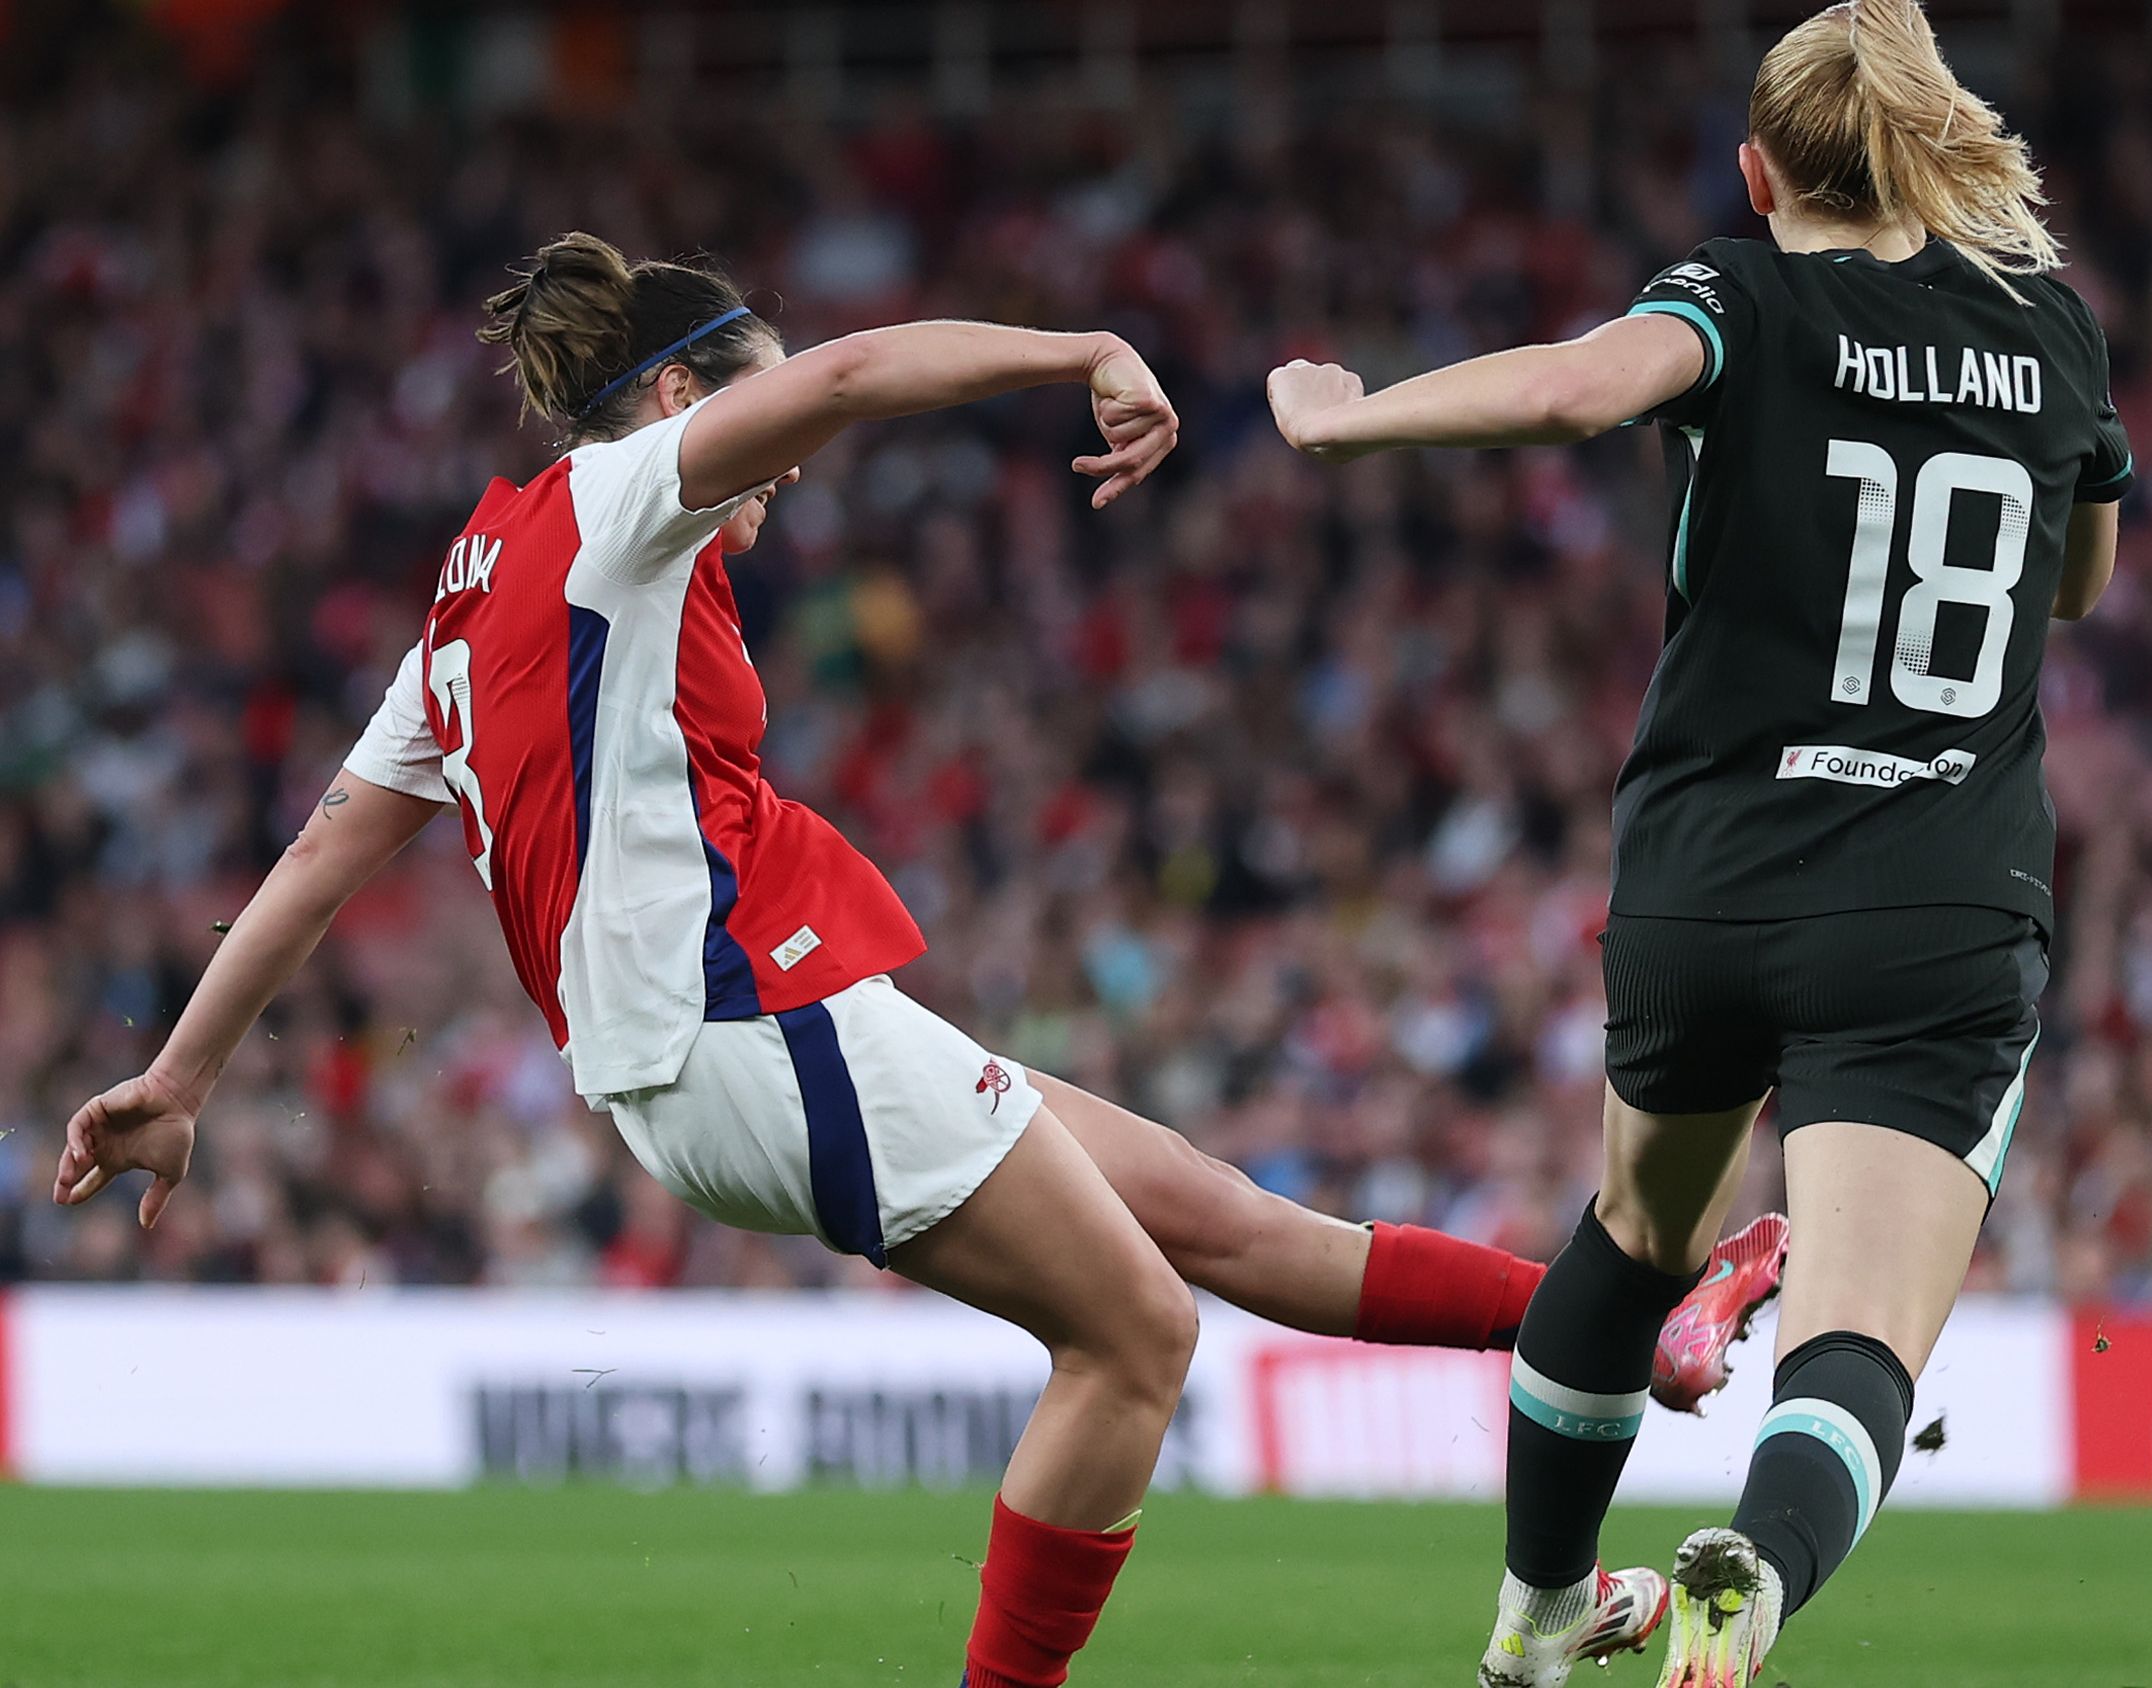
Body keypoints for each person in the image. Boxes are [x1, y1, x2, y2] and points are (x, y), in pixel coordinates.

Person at [53, 232, 1784, 1688]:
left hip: (733, 1031)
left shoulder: (477, 586)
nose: (785, 457)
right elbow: (856, 375)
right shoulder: (616, 501)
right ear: (677, 395)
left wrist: (181, 1076)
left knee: (1222, 1222)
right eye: (752, 395)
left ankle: (1650, 1343)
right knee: (1140, 1339)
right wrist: (1086, 346)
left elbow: (321, 846)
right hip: (739, 1018)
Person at [1267, 3, 2129, 1683]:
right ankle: (1757, 1580)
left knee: (1632, 1236)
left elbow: (1581, 389)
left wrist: (1343, 416)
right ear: (1933, 145)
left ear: (1756, 172)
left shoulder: (1740, 289)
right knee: (1861, 1336)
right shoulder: (2055, 330)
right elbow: (2078, 588)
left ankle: (1534, 1623)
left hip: (1706, 885)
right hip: (1935, 900)